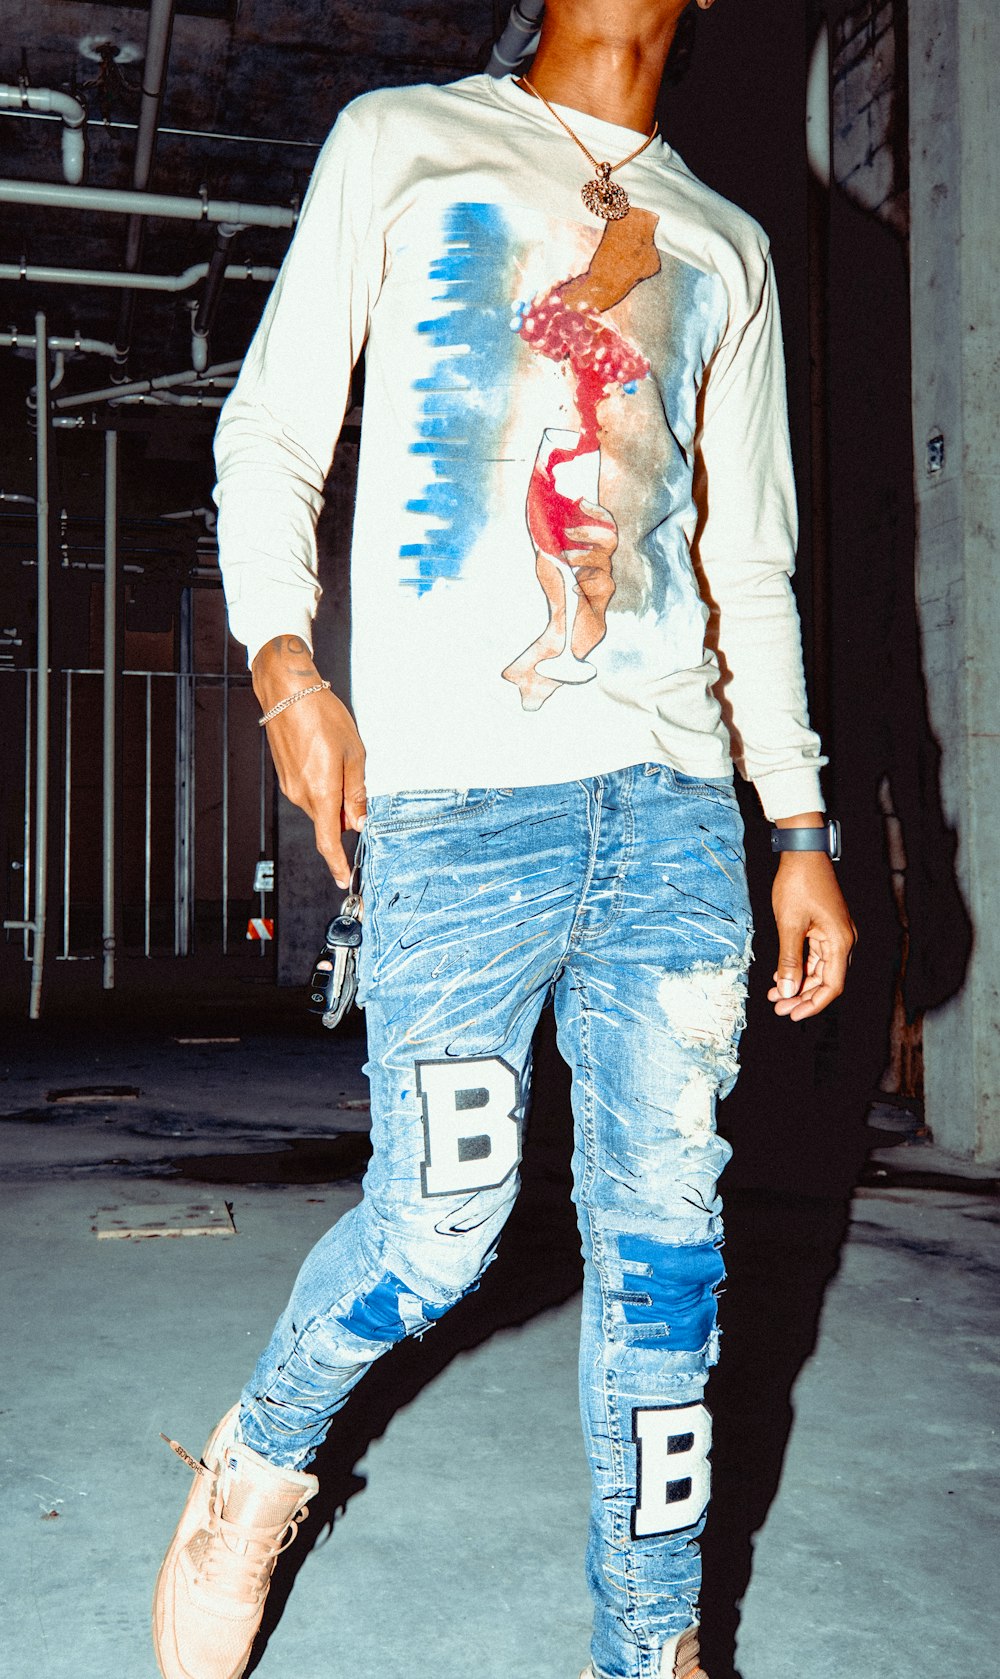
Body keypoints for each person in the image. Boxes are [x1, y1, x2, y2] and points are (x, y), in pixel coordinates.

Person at [152, 4, 857, 1677]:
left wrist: (802, 819)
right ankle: (261, 1463)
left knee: (671, 1260)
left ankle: (656, 1649)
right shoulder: (402, 144)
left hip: (680, 812)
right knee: (443, 1222)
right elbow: (270, 430)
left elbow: (745, 561)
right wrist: (281, 667)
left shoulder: (731, 246)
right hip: (463, 803)